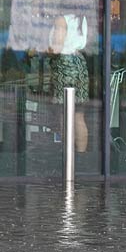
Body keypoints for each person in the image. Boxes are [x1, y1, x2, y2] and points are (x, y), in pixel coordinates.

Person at [48, 12, 89, 152]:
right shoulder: (81, 17)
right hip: (79, 64)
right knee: (78, 116)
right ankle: (81, 157)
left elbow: (57, 48)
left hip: (65, 66)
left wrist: (43, 49)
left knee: (64, 114)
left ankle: (67, 157)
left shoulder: (61, 19)